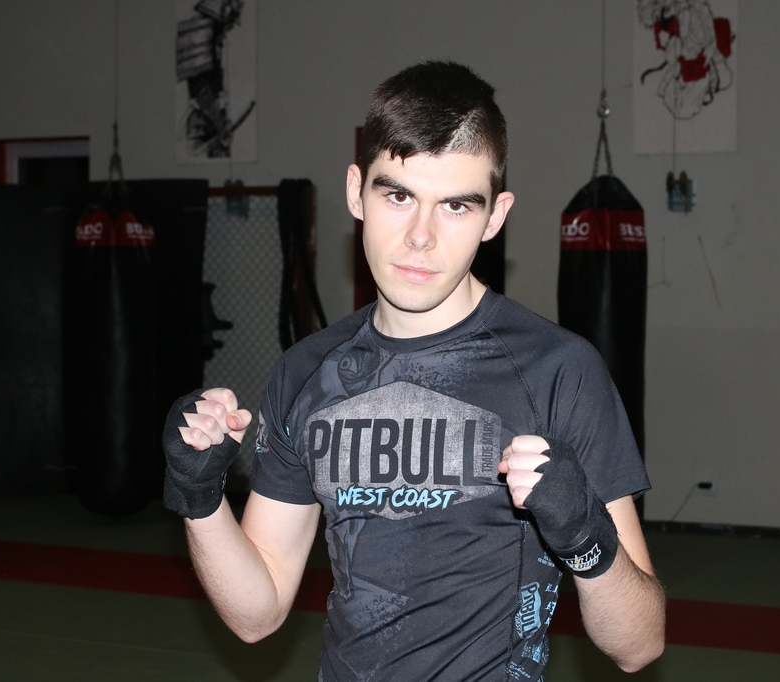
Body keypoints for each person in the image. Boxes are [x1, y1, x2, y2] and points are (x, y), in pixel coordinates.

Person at [162, 61, 665, 679]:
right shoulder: (306, 373)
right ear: (356, 191)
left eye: (455, 205)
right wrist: (200, 499)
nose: (421, 236)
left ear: (495, 216)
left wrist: (586, 538)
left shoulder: (558, 371)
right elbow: (256, 616)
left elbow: (640, 645)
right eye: (398, 195)